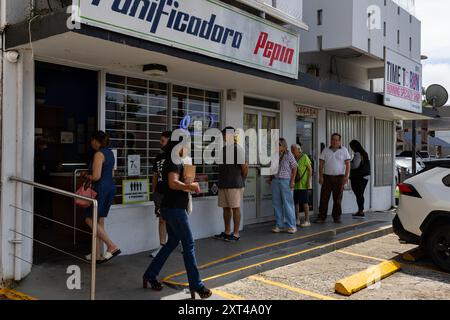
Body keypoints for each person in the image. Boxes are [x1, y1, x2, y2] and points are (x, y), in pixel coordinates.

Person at [143, 140, 212, 300]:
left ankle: (149, 275)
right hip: (175, 209)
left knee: (172, 242)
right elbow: (173, 183)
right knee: (189, 244)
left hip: (170, 208)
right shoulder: (174, 161)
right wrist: (191, 186)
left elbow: (174, 183)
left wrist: (188, 182)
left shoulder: (174, 160)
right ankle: (196, 284)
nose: (188, 149)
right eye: (186, 146)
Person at [84, 131, 121, 263]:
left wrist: (86, 176)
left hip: (100, 189)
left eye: (92, 140)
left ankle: (111, 246)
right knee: (99, 221)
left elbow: (96, 176)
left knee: (89, 220)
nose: (91, 143)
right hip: (109, 188)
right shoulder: (110, 153)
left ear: (95, 141)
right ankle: (97, 255)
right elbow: (111, 172)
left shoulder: (99, 154)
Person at [214, 127, 248, 242]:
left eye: (225, 134)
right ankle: (227, 232)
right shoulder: (223, 149)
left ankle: (236, 233)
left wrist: (242, 180)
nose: (223, 136)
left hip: (235, 184)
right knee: (226, 208)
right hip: (223, 183)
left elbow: (244, 167)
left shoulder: (237, 149)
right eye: (223, 134)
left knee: (235, 208)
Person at [316, 133, 351, 224]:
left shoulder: (344, 150)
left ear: (339, 141)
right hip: (327, 177)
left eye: (336, 140)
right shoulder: (325, 150)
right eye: (333, 139)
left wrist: (346, 176)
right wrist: (321, 176)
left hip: (339, 177)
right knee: (324, 198)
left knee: (338, 199)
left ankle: (337, 217)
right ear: (330, 140)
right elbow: (321, 164)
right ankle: (322, 217)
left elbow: (348, 164)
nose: (334, 141)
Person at [150, 131, 171, 258]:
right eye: (160, 140)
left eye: (163, 141)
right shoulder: (158, 157)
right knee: (162, 219)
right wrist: (154, 192)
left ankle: (179, 243)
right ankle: (162, 245)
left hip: (172, 194)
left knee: (175, 220)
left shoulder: (175, 157)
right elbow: (155, 175)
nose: (160, 143)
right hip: (159, 193)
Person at [271, 138, 298, 234]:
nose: (277, 146)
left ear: (283, 145)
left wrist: (292, 180)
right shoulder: (274, 155)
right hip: (276, 180)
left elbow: (295, 167)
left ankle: (292, 226)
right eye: (276, 144)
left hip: (285, 181)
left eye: (279, 144)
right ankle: (279, 225)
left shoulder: (288, 154)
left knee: (287, 203)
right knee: (276, 203)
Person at [291, 144, 312, 227]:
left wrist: (308, 181)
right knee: (296, 202)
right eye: (292, 150)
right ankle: (297, 219)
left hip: (303, 184)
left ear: (298, 150)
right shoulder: (293, 158)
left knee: (304, 202)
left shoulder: (304, 157)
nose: (292, 151)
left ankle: (307, 220)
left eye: (294, 150)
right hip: (295, 184)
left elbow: (310, 169)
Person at [349, 140, 370, 219]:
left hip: (358, 177)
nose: (351, 148)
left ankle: (360, 211)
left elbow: (355, 166)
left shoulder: (358, 154)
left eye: (352, 147)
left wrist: (348, 163)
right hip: (365, 176)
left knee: (359, 194)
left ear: (355, 146)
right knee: (360, 194)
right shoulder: (364, 153)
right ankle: (360, 210)